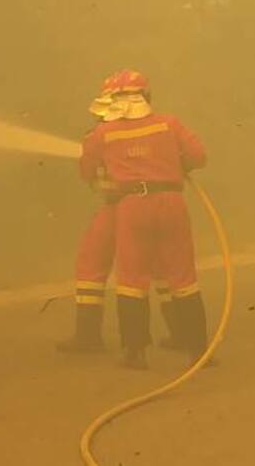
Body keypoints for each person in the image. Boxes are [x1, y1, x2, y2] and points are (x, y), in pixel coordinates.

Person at [80, 69, 209, 370]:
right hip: (172, 202)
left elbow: (88, 172)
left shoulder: (102, 134)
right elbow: (198, 157)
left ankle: (135, 354)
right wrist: (174, 163)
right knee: (184, 278)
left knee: (131, 280)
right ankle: (199, 352)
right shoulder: (169, 124)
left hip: (132, 207)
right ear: (146, 97)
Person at [58, 76, 181, 353]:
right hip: (147, 205)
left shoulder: (100, 134)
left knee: (94, 265)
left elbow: (87, 172)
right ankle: (181, 332)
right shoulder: (154, 128)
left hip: (120, 207)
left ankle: (91, 336)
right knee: (161, 266)